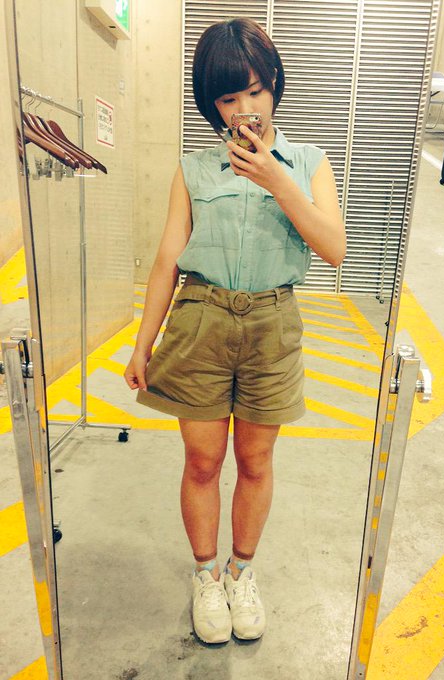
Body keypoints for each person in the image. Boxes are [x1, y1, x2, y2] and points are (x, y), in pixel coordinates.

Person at [124, 17, 346, 645]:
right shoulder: (194, 169)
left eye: (255, 90)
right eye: (228, 97)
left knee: (255, 460)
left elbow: (334, 248)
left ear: (274, 84)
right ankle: (206, 575)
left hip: (273, 324)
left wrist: (277, 180)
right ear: (212, 105)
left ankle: (241, 572)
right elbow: (167, 260)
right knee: (202, 461)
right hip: (200, 320)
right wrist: (143, 344)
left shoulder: (309, 163)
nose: (245, 108)